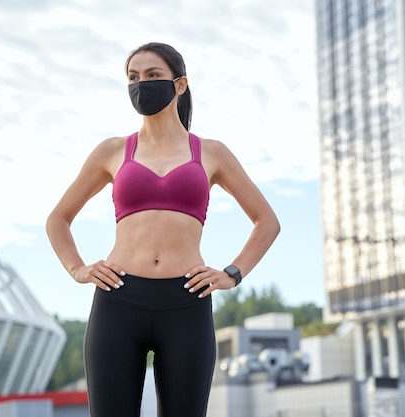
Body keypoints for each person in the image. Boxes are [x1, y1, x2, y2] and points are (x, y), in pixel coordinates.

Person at [45, 42, 280, 417]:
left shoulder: (212, 153)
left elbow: (267, 221)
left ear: (180, 84)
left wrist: (232, 274)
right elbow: (58, 219)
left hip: (187, 302)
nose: (141, 85)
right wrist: (78, 268)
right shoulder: (112, 150)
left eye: (153, 76)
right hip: (118, 300)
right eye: (133, 78)